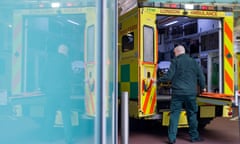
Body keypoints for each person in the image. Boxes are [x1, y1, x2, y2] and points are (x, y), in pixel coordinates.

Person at [157, 45, 206, 144]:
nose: (174, 55)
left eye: (174, 53)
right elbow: (200, 76)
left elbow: (169, 76)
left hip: (177, 93)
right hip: (191, 93)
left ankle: (172, 138)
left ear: (177, 52)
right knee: (192, 114)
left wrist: (158, 80)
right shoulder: (193, 62)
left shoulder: (175, 61)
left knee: (175, 115)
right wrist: (203, 87)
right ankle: (194, 137)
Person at [43, 43, 73, 144]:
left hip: (50, 93)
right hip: (63, 93)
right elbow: (70, 76)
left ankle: (47, 138)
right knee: (66, 117)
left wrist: (45, 89)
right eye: (67, 52)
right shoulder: (66, 60)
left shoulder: (49, 60)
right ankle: (68, 140)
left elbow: (43, 74)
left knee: (50, 116)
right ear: (64, 51)